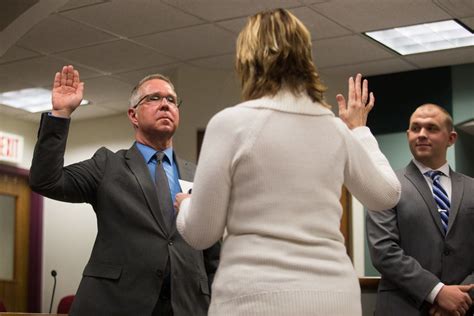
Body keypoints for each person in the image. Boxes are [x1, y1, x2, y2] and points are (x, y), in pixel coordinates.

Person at [173, 9, 401, 316]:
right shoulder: (334, 128)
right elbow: (387, 195)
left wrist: (186, 205)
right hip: (334, 298)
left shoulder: (230, 124)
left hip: (253, 298)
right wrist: (360, 130)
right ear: (304, 57)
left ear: (247, 59)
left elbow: (201, 234)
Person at [29, 65, 220, 316]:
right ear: (133, 115)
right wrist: (60, 114)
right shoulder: (107, 165)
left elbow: (212, 252)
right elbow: (45, 180)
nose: (165, 104)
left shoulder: (199, 175)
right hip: (116, 304)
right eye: (153, 98)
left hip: (186, 306)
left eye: (171, 100)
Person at [366, 103, 474, 316]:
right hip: (402, 308)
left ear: (451, 138)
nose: (422, 134)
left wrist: (464, 296)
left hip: (464, 309)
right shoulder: (386, 185)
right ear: (408, 135)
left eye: (431, 128)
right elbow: (384, 250)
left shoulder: (472, 187)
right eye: (415, 128)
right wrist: (437, 292)